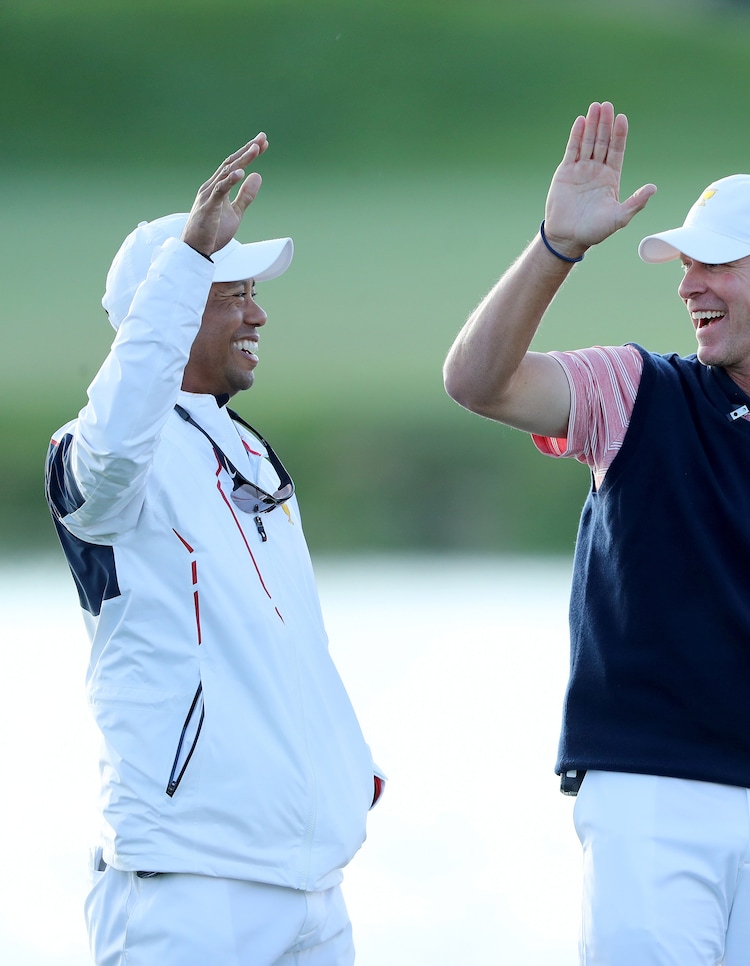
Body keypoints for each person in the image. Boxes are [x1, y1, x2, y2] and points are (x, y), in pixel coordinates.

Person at [443, 102, 750, 964]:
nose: (687, 285)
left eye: (714, 263)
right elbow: (476, 381)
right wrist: (556, 246)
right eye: (684, 265)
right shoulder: (633, 388)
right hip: (649, 795)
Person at [45, 134, 383, 965]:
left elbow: (278, 643)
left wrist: (344, 767)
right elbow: (118, 441)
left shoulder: (248, 453)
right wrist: (187, 261)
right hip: (188, 890)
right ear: (171, 308)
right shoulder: (102, 455)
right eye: (233, 294)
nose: (260, 313)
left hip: (310, 887)